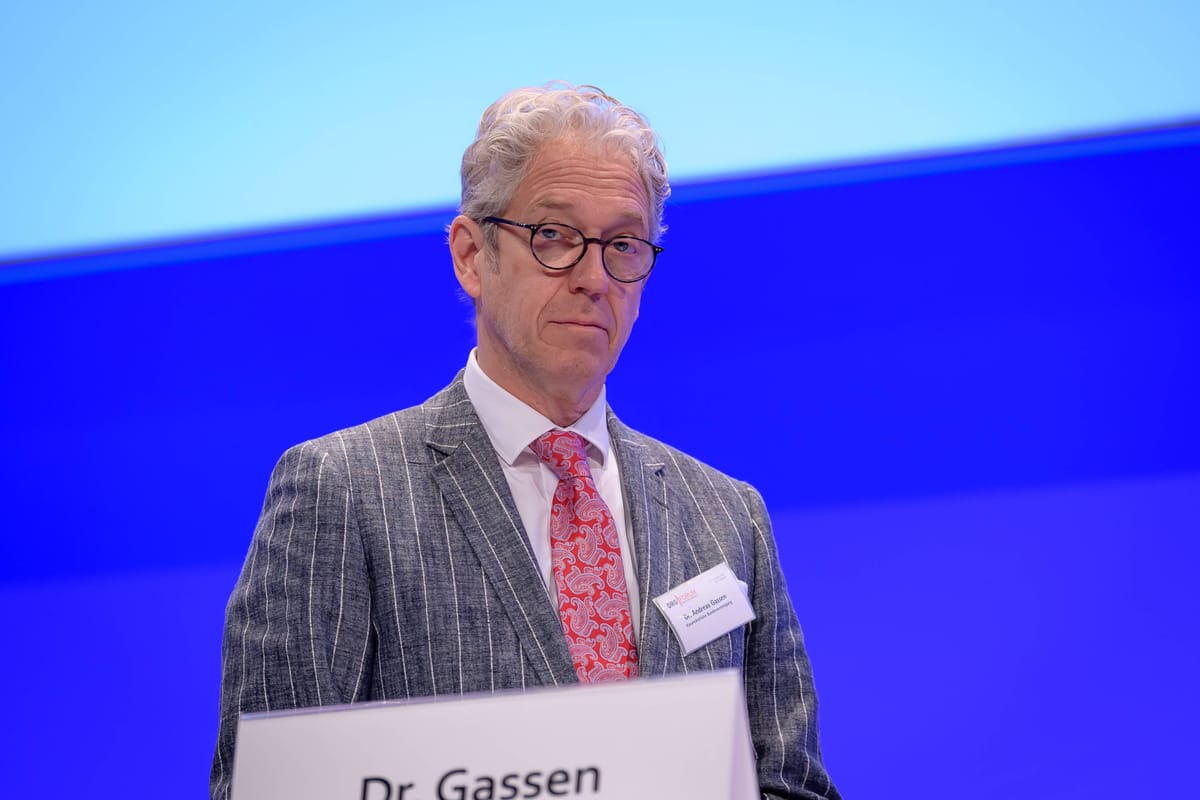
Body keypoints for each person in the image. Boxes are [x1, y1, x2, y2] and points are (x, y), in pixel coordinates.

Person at [211, 82, 840, 800]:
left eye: (623, 245)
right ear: (470, 255)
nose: (594, 278)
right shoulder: (344, 490)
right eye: (555, 237)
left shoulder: (727, 516)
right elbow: (277, 788)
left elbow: (791, 786)